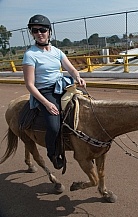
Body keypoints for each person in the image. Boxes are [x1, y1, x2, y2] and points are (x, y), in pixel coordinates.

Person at [22, 14, 86, 170]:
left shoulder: (57, 51)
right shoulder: (30, 55)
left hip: (62, 86)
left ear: (49, 31)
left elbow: (70, 68)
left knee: (86, 106)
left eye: (42, 29)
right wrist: (46, 103)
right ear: (32, 33)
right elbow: (30, 85)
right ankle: (53, 153)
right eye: (35, 30)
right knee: (53, 126)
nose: (39, 33)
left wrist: (78, 77)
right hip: (44, 91)